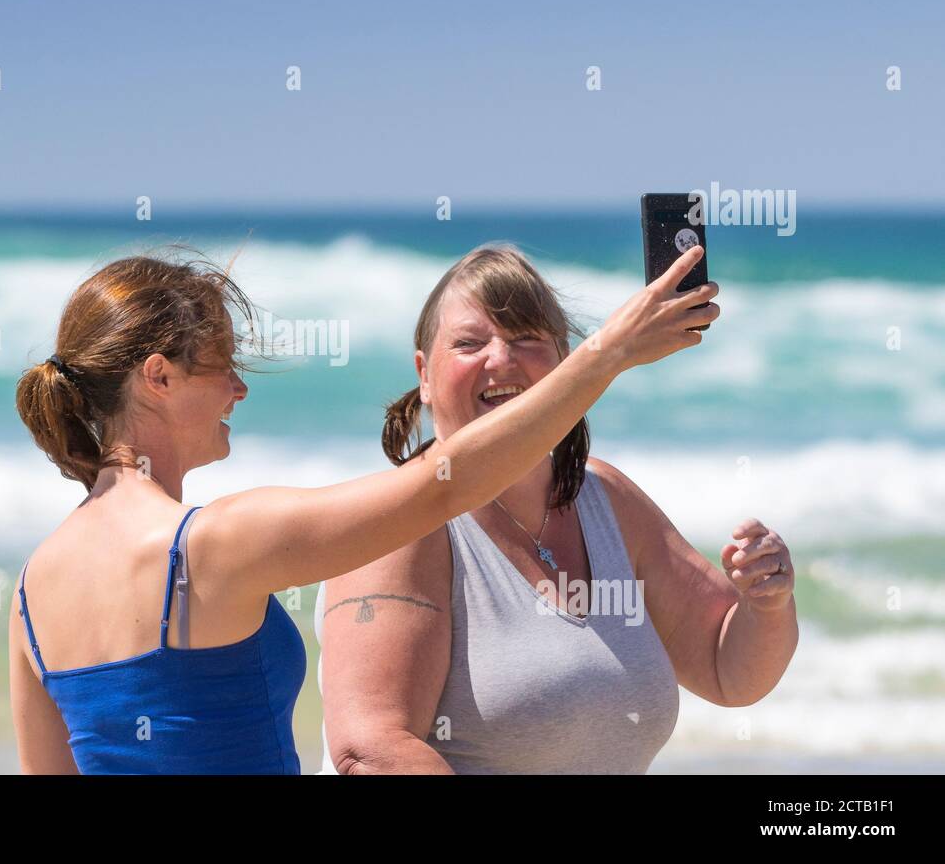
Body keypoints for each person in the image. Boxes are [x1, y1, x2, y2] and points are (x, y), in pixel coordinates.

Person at [9, 244, 719, 773]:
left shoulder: (32, 589)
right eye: (223, 365)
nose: (239, 390)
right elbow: (444, 485)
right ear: (157, 377)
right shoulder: (215, 542)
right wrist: (607, 354)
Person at [315, 243, 796, 774]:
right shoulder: (397, 525)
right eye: (470, 343)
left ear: (563, 362)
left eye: (525, 338)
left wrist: (766, 604)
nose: (500, 359)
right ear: (424, 376)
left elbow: (727, 668)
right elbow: (371, 751)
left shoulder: (605, 499)